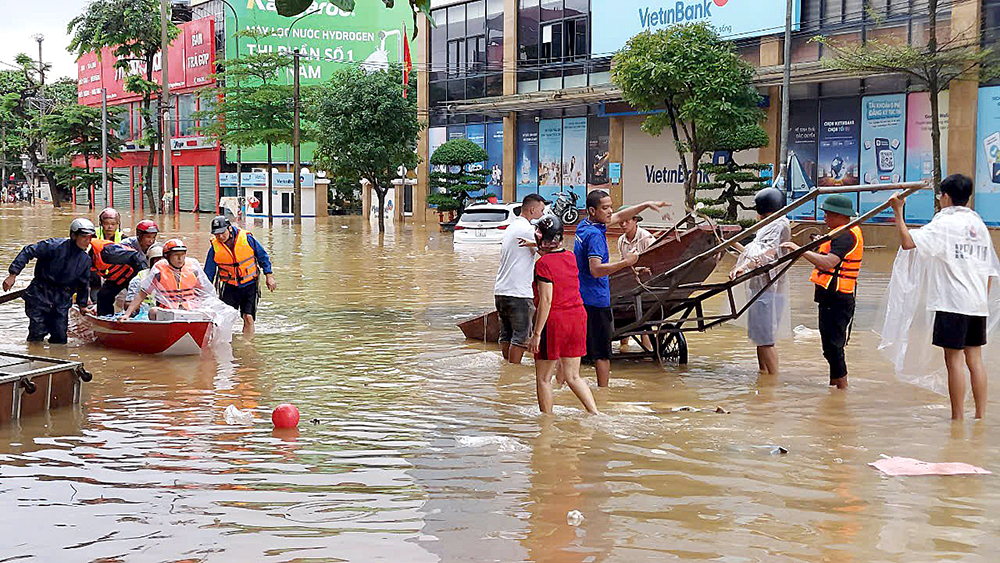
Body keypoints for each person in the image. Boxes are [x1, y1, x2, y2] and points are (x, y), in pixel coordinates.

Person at [884, 174, 1000, 420]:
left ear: (945, 196)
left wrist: (898, 212)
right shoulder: (978, 225)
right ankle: (979, 416)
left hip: (953, 303)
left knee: (954, 360)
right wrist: (980, 299)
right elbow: (990, 270)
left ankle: (957, 418)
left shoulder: (944, 224)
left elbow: (907, 242)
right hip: (977, 304)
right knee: (975, 359)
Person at [574, 190, 670, 386]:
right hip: (596, 300)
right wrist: (627, 263)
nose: (611, 212)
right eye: (605, 208)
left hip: (580, 296)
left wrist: (646, 203)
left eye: (611, 206)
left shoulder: (584, 226)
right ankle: (603, 395)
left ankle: (566, 384)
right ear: (593, 210)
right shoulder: (595, 237)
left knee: (576, 349)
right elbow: (596, 270)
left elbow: (620, 216)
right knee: (602, 354)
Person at [781, 194, 863, 389]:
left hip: (838, 298)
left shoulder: (845, 235)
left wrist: (799, 249)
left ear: (839, 215)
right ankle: (835, 387)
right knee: (830, 348)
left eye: (828, 214)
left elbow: (828, 263)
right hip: (830, 297)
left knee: (834, 348)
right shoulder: (839, 233)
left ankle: (841, 389)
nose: (824, 217)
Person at [527, 215, 600, 415]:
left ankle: (546, 424)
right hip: (577, 317)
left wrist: (536, 334)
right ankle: (595, 413)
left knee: (543, 378)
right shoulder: (571, 257)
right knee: (573, 376)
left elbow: (546, 300)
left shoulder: (543, 264)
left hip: (555, 321)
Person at [729, 188, 792, 375]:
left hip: (769, 289)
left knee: (765, 339)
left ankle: (772, 384)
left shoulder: (779, 225)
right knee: (759, 337)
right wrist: (735, 246)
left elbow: (769, 253)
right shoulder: (769, 225)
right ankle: (763, 378)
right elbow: (756, 251)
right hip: (760, 288)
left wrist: (744, 266)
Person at [2, 219, 95, 344]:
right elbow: (28, 251)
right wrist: (13, 274)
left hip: (62, 297)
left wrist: (82, 305)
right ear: (73, 236)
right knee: (38, 331)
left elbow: (83, 283)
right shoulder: (53, 246)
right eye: (84, 237)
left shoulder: (85, 260)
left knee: (60, 336)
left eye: (90, 238)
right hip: (40, 292)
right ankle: (34, 357)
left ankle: (56, 359)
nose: (87, 241)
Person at [494, 193, 547, 364]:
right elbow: (549, 250)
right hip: (519, 293)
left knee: (506, 334)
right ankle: (513, 371)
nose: (543, 214)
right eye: (541, 210)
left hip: (501, 291)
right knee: (521, 337)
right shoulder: (528, 230)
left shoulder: (512, 227)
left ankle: (506, 370)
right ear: (532, 209)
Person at [204, 216, 276, 337]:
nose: (220, 237)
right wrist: (204, 294)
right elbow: (208, 274)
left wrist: (269, 276)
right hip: (229, 286)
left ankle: (248, 345)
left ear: (229, 229)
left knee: (248, 317)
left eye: (222, 233)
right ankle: (225, 342)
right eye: (217, 235)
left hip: (250, 284)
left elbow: (263, 256)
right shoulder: (214, 248)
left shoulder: (247, 238)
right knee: (225, 318)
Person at [124, 239, 214, 320]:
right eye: (176, 255)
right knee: (153, 312)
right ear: (167, 256)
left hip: (192, 309)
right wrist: (127, 314)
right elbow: (142, 294)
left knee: (211, 313)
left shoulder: (193, 267)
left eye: (182, 255)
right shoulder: (158, 270)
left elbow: (207, 291)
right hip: (168, 311)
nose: (180, 259)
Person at [616, 204, 656, 352]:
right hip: (630, 282)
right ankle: (624, 343)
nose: (624, 224)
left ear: (635, 221)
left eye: (627, 221)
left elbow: (655, 262)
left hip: (647, 283)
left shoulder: (646, 237)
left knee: (642, 315)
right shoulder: (621, 240)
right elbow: (622, 264)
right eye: (621, 222)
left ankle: (647, 348)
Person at [90, 236, 147, 316]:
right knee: (103, 295)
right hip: (118, 278)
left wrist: (144, 278)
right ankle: (105, 318)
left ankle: (139, 317)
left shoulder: (108, 253)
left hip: (134, 274)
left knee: (132, 301)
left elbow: (136, 257)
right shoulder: (84, 260)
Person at [120, 244, 165, 314]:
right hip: (143, 314)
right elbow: (127, 304)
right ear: (151, 261)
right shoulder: (139, 279)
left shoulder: (173, 276)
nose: (160, 263)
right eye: (157, 260)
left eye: (162, 260)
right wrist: (140, 307)